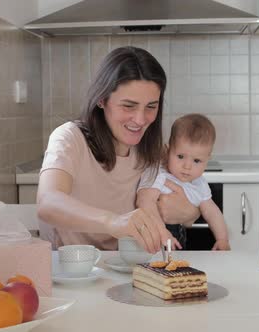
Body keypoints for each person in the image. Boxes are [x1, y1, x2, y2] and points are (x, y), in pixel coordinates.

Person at [36, 46, 199, 254]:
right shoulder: (69, 138)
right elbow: (47, 202)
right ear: (102, 100)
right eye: (128, 106)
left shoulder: (152, 151)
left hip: (127, 268)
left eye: (151, 106)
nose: (140, 120)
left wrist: (190, 213)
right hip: (69, 270)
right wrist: (111, 221)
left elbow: (186, 206)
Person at [136, 114, 230, 250]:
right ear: (168, 151)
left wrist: (222, 239)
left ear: (207, 160)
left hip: (177, 239)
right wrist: (162, 232)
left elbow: (213, 213)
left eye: (196, 160)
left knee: (176, 269)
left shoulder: (200, 184)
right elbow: (145, 202)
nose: (187, 166)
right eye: (180, 156)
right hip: (152, 236)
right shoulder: (159, 173)